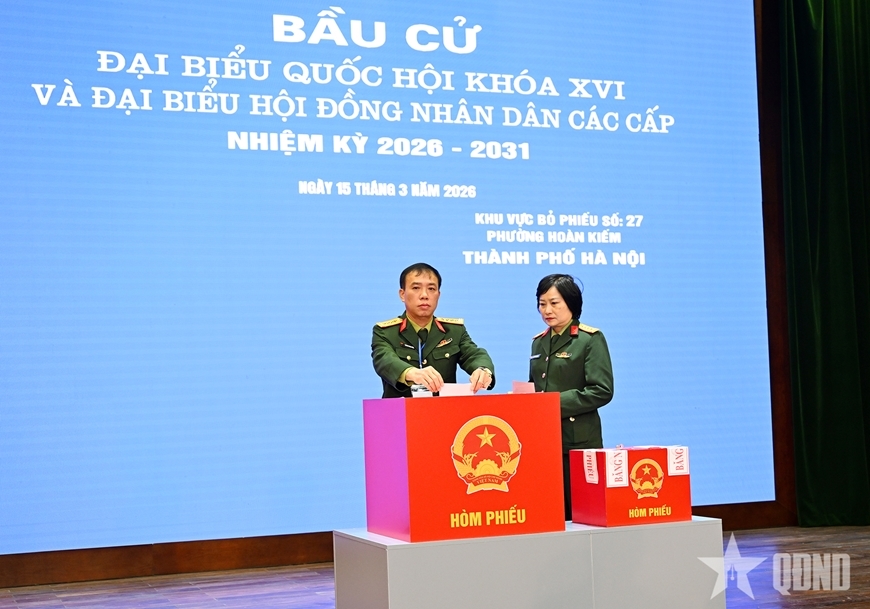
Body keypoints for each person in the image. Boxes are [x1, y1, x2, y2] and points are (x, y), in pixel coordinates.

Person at [529, 274, 613, 520]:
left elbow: (601, 390)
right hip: (545, 441)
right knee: (550, 514)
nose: (547, 310)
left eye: (554, 303)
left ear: (571, 303)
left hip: (578, 443)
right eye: (542, 304)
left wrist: (551, 404)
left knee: (582, 515)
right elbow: (535, 387)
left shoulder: (589, 339)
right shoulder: (538, 342)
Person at [372, 263, 495, 398]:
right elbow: (385, 361)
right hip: (400, 410)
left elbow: (474, 354)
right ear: (402, 294)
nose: (424, 295)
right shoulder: (385, 332)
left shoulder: (454, 331)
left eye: (431, 289)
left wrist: (483, 370)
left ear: (438, 295)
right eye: (416, 288)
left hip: (443, 410)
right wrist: (411, 373)